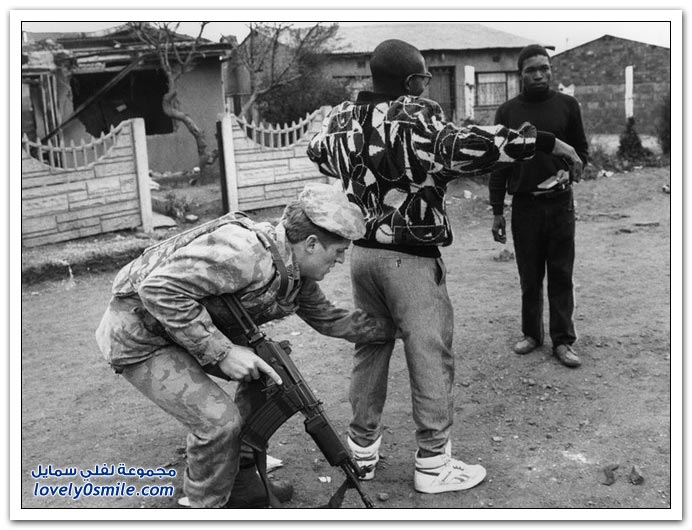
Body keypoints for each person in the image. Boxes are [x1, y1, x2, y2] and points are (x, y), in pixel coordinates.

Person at [306, 38, 583, 494]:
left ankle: (361, 453)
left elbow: (317, 151)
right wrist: (548, 142)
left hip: (362, 256)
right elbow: (470, 145)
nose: (427, 85)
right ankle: (434, 463)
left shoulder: (341, 120)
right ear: (411, 81)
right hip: (410, 262)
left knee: (370, 348)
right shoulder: (418, 117)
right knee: (429, 354)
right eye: (425, 78)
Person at [95, 183, 397, 509]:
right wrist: (222, 352)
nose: (340, 260)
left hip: (182, 330)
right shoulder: (244, 255)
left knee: (272, 374)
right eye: (338, 251)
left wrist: (402, 329)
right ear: (311, 244)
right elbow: (158, 289)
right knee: (219, 423)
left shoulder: (293, 273)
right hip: (141, 337)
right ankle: (203, 504)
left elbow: (330, 320)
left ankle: (239, 477)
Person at [489, 44, 589, 368]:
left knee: (561, 274)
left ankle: (563, 341)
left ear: (551, 70)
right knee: (529, 276)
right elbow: (499, 165)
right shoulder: (508, 112)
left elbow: (581, 152)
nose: (539, 75)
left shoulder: (567, 106)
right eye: (531, 70)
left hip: (560, 204)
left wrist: (570, 171)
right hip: (525, 207)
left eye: (544, 68)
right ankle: (532, 334)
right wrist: (496, 211)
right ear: (520, 74)